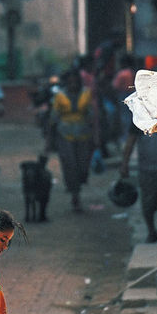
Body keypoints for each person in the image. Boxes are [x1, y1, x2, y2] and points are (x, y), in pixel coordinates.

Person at [49, 68, 94, 212]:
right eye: (70, 82)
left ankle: (78, 185)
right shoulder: (59, 96)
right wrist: (49, 139)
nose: (73, 84)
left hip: (84, 135)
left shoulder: (86, 93)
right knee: (70, 165)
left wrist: (96, 135)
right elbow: (53, 118)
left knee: (82, 165)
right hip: (65, 135)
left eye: (75, 81)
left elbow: (92, 116)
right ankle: (75, 194)